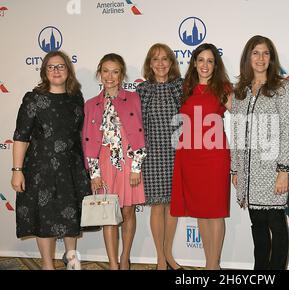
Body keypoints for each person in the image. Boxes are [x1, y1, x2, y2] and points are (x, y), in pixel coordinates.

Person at [11, 51, 91, 270]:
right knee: (44, 217)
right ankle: (47, 265)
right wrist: (17, 169)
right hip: (40, 169)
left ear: (68, 70)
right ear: (44, 71)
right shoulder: (33, 99)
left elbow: (80, 135)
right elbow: (21, 136)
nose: (56, 70)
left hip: (71, 168)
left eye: (61, 66)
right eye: (51, 67)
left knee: (70, 216)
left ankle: (72, 261)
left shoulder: (76, 98)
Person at [230, 35, 289, 270]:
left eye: (265, 53)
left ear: (272, 58)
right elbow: (236, 134)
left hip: (272, 169)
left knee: (276, 224)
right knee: (257, 225)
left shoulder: (282, 87)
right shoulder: (240, 90)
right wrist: (235, 169)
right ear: (248, 57)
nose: (260, 58)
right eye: (255, 53)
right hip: (248, 172)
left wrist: (284, 170)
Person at [170, 43, 232, 270]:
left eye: (210, 61)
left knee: (215, 213)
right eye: (201, 60)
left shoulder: (223, 88)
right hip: (189, 157)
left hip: (215, 157)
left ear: (216, 66)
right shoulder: (184, 88)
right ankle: (209, 264)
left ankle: (213, 266)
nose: (205, 65)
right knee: (201, 213)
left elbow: (243, 112)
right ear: (194, 63)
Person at [82, 53, 146, 270]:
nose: (110, 76)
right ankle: (112, 263)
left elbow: (140, 134)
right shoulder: (91, 104)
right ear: (100, 73)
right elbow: (87, 141)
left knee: (128, 212)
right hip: (104, 164)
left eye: (115, 71)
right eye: (106, 71)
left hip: (129, 164)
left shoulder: (134, 98)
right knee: (108, 214)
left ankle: (125, 258)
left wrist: (136, 167)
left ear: (121, 75)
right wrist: (95, 173)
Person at [136, 43, 184, 270]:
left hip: (177, 154)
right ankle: (160, 258)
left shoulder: (181, 87)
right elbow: (136, 126)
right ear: (149, 64)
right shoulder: (143, 90)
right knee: (157, 206)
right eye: (155, 59)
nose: (161, 63)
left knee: (173, 206)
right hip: (152, 154)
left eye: (165, 59)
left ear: (171, 63)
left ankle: (168, 254)